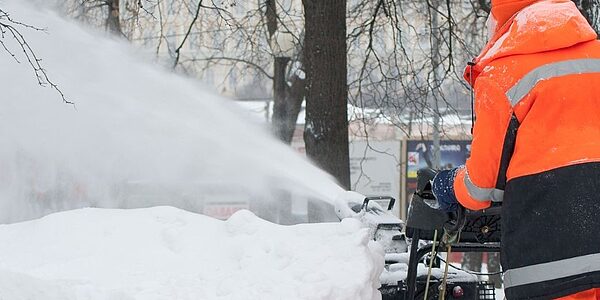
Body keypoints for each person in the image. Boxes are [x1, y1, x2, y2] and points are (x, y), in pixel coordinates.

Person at [430, 0, 600, 299]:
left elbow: (481, 186)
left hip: (549, 266)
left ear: (502, 23)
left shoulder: (502, 74)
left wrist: (448, 186)